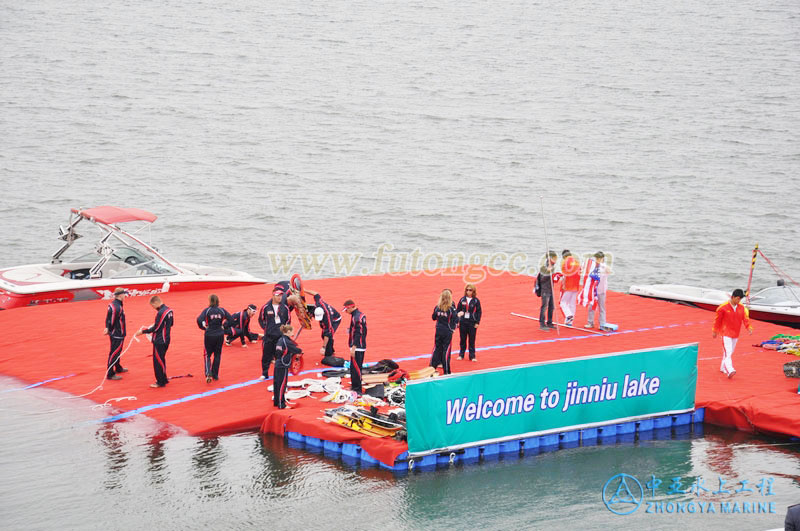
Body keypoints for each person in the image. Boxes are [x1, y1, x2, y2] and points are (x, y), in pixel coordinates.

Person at [712, 288, 753, 379]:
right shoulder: (722, 308)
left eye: (740, 299)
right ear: (733, 297)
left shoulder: (741, 307)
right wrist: (715, 331)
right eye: (737, 299)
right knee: (728, 352)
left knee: (729, 352)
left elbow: (745, 319)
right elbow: (717, 320)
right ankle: (729, 370)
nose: (739, 301)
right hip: (725, 332)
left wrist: (748, 327)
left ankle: (723, 367)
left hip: (736, 333)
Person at [135, 295, 174, 388]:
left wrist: (143, 331)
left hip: (160, 340)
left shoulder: (161, 313)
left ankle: (160, 381)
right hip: (166, 338)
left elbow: (156, 327)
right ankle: (163, 378)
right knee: (162, 359)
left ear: (155, 303)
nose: (153, 308)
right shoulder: (169, 310)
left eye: (152, 306)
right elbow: (171, 324)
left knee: (157, 361)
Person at [258, 283, 294, 380]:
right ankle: (264, 373)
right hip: (269, 336)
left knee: (280, 355)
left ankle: (279, 373)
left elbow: (288, 320)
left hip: (280, 337)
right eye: (278, 295)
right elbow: (261, 319)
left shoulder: (285, 308)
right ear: (273, 295)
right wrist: (266, 329)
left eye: (281, 295)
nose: (280, 297)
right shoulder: (266, 307)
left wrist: (285, 332)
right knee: (266, 355)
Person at [196, 294, 232, 383]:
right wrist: (224, 326)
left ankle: (208, 373)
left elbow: (199, 319)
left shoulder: (207, 310)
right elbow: (231, 319)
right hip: (219, 335)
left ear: (210, 301)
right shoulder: (222, 311)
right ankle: (215, 375)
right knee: (217, 354)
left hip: (209, 335)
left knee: (207, 354)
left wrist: (203, 327)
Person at [304, 289, 342, 359]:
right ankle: (330, 348)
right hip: (326, 314)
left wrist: (323, 347)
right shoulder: (319, 303)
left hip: (335, 320)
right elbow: (315, 293)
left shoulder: (327, 319)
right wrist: (304, 290)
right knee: (324, 335)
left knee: (327, 335)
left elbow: (327, 333)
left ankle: (329, 353)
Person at [273, 324, 302, 409]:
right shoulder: (287, 342)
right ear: (288, 332)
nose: (293, 333)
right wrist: (300, 351)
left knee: (276, 384)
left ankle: (276, 401)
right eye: (292, 331)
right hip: (283, 365)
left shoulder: (280, 340)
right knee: (282, 385)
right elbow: (297, 350)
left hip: (278, 363)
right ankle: (281, 404)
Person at [103, 287, 129, 380]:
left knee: (117, 351)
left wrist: (107, 327)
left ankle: (118, 367)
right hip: (117, 333)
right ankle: (110, 373)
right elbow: (112, 320)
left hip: (116, 332)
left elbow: (108, 318)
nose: (125, 296)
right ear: (120, 295)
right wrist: (109, 328)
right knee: (114, 352)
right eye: (124, 294)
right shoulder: (117, 307)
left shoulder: (113, 304)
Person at [431, 289, 458, 374]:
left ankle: (431, 368)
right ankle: (447, 371)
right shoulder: (451, 309)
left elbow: (433, 317)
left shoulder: (437, 307)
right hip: (447, 331)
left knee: (436, 349)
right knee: (446, 350)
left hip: (438, 330)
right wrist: (453, 328)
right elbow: (456, 319)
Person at [343, 299, 367, 393]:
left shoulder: (356, 317)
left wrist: (354, 347)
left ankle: (357, 389)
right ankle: (355, 387)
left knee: (356, 369)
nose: (346, 312)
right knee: (354, 368)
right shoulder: (357, 315)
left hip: (358, 347)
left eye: (346, 309)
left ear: (350, 307)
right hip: (358, 345)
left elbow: (359, 333)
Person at [585, 251, 612, 330]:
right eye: (596, 258)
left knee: (602, 307)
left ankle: (602, 323)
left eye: (599, 258)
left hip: (601, 290)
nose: (597, 260)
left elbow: (609, 271)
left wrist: (602, 266)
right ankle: (590, 322)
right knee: (591, 306)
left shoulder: (604, 267)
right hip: (593, 290)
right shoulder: (593, 266)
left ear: (602, 259)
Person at [456, 284, 481, 361]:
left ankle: (472, 356)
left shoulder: (476, 301)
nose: (468, 291)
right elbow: (458, 310)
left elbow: (479, 312)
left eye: (470, 290)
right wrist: (457, 321)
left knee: (472, 340)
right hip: (463, 322)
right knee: (462, 339)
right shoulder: (462, 300)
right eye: (467, 290)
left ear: (473, 291)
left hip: (472, 323)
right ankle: (461, 354)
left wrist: (477, 322)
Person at [536, 251, 558, 331]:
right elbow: (542, 279)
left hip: (551, 289)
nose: (555, 260)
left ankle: (550, 322)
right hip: (545, 290)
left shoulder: (552, 266)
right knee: (544, 307)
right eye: (554, 258)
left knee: (551, 307)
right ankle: (542, 323)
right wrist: (548, 272)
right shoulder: (544, 268)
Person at [559, 250, 580, 326]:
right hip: (576, 285)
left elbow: (564, 275)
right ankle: (570, 322)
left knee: (563, 303)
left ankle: (568, 315)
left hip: (568, 285)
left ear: (564, 256)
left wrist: (563, 285)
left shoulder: (565, 262)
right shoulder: (577, 262)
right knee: (572, 304)